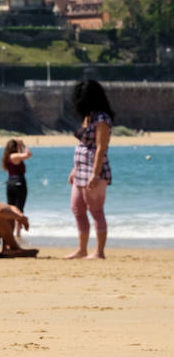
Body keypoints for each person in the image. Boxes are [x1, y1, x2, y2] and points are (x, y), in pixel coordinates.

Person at [66, 80, 114, 260]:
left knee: (96, 210)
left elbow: (101, 148)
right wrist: (74, 169)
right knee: (77, 208)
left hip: (95, 170)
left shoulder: (102, 119)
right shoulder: (88, 117)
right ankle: (82, 249)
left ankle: (99, 251)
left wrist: (95, 174)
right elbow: (82, 144)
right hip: (80, 169)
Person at [0, 138, 32, 237]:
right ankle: (18, 233)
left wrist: (19, 146)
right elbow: (28, 154)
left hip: (10, 183)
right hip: (19, 183)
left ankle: (12, 231)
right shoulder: (15, 156)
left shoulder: (8, 157)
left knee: (12, 209)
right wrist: (22, 144)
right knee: (19, 209)